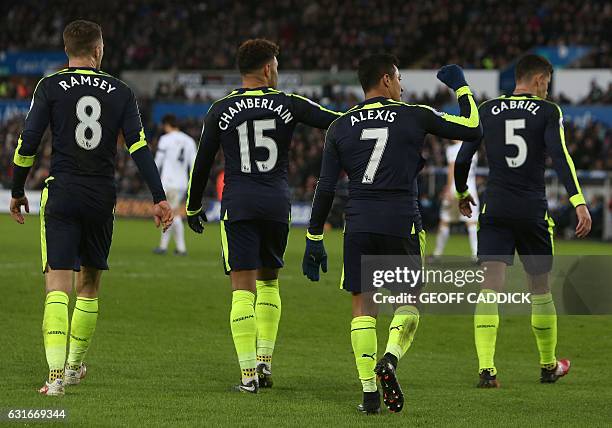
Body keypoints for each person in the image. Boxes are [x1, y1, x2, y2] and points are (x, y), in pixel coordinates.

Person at [302, 54, 482, 414]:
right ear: (385, 80)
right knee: (408, 302)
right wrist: (461, 86)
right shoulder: (414, 114)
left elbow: (325, 186)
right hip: (401, 219)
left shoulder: (341, 125)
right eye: (398, 78)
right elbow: (474, 127)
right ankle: (390, 358)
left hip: (358, 222)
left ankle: (369, 394)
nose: (402, 86)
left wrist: (314, 237)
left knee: (362, 308)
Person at [9, 20, 173, 396]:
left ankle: (54, 379)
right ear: (98, 50)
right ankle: (72, 368)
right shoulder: (121, 91)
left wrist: (18, 189)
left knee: (56, 283)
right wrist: (158, 196)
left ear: (67, 50)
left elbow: (28, 141)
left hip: (62, 190)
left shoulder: (49, 86)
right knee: (89, 285)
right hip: (102, 194)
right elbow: (138, 147)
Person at [186, 39, 341, 393]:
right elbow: (335, 122)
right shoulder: (289, 103)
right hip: (276, 203)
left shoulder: (220, 108)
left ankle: (247, 376)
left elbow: (203, 161)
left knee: (242, 288)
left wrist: (194, 205)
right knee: (269, 281)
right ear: (269, 68)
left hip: (239, 202)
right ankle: (264, 362)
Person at [454, 54, 592, 388]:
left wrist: (461, 193)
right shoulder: (548, 111)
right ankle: (548, 366)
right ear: (540, 78)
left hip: (496, 206)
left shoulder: (486, 108)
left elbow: (463, 157)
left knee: (490, 288)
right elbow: (560, 156)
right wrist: (579, 202)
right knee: (541, 290)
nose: (548, 88)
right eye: (548, 81)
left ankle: (487, 370)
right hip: (531, 209)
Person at [153, 114, 197, 256]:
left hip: (169, 181)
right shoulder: (189, 141)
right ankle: (164, 246)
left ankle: (180, 248)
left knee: (173, 214)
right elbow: (194, 165)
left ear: (167, 125)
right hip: (182, 182)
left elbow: (157, 162)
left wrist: (152, 179)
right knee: (170, 212)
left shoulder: (165, 139)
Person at [431, 140, 479, 260]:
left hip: (456, 187)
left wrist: (448, 188)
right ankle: (476, 255)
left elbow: (452, 168)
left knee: (445, 221)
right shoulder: (473, 147)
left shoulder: (453, 149)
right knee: (472, 223)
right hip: (470, 189)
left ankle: (437, 254)